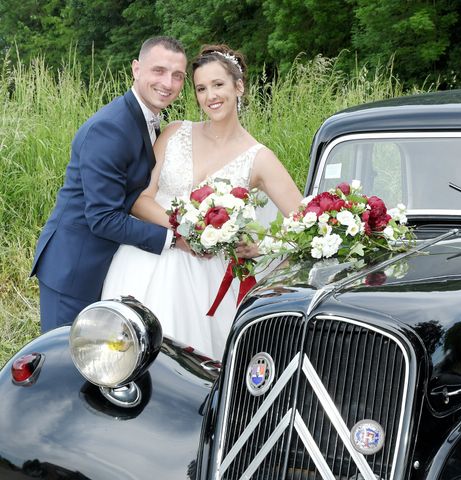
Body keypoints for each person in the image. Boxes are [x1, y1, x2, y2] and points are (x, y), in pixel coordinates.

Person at [101, 44, 302, 359]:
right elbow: (140, 199)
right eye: (201, 88)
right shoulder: (175, 132)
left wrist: (261, 247)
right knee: (124, 356)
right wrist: (185, 229)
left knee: (192, 365)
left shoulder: (259, 158)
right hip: (144, 261)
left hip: (206, 278)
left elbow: (305, 224)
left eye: (218, 85)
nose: (211, 96)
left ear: (239, 86)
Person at [31, 36, 189, 333]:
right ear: (136, 69)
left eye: (177, 76)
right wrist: (173, 238)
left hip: (107, 265)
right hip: (74, 269)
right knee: (65, 368)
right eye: (159, 71)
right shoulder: (111, 128)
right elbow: (103, 218)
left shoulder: (146, 119)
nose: (168, 83)